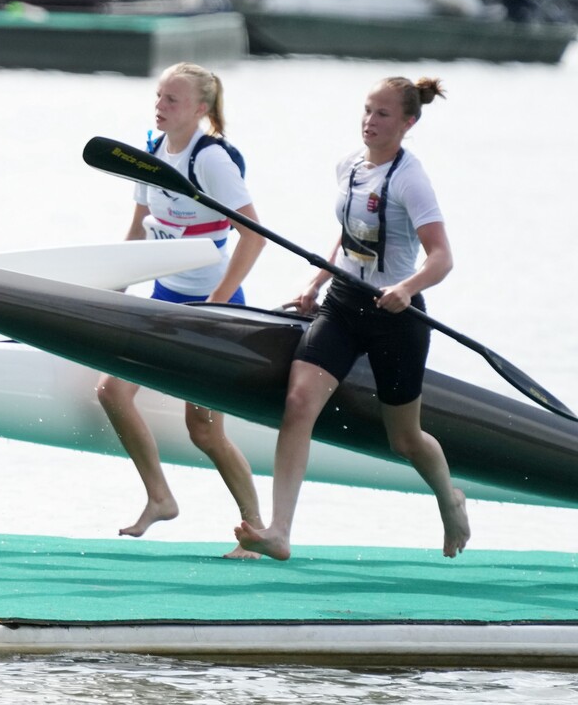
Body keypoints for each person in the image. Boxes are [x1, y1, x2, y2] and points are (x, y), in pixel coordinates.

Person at [235, 76, 471, 561]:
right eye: (367, 110)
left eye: (383, 114)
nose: (370, 121)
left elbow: (442, 257)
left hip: (396, 316)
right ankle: (279, 531)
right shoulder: (348, 166)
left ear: (407, 123)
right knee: (299, 403)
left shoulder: (410, 179)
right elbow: (347, 236)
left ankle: (449, 499)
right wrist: (314, 284)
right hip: (343, 301)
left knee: (404, 439)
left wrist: (406, 289)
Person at [95, 62, 267, 558]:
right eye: (158, 96)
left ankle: (255, 530)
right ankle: (160, 496)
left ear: (201, 109)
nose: (160, 106)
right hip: (165, 299)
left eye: (172, 99)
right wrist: (115, 291)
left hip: (216, 306)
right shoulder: (149, 153)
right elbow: (137, 229)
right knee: (111, 391)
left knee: (205, 431)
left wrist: (216, 305)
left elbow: (254, 236)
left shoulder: (211, 161)